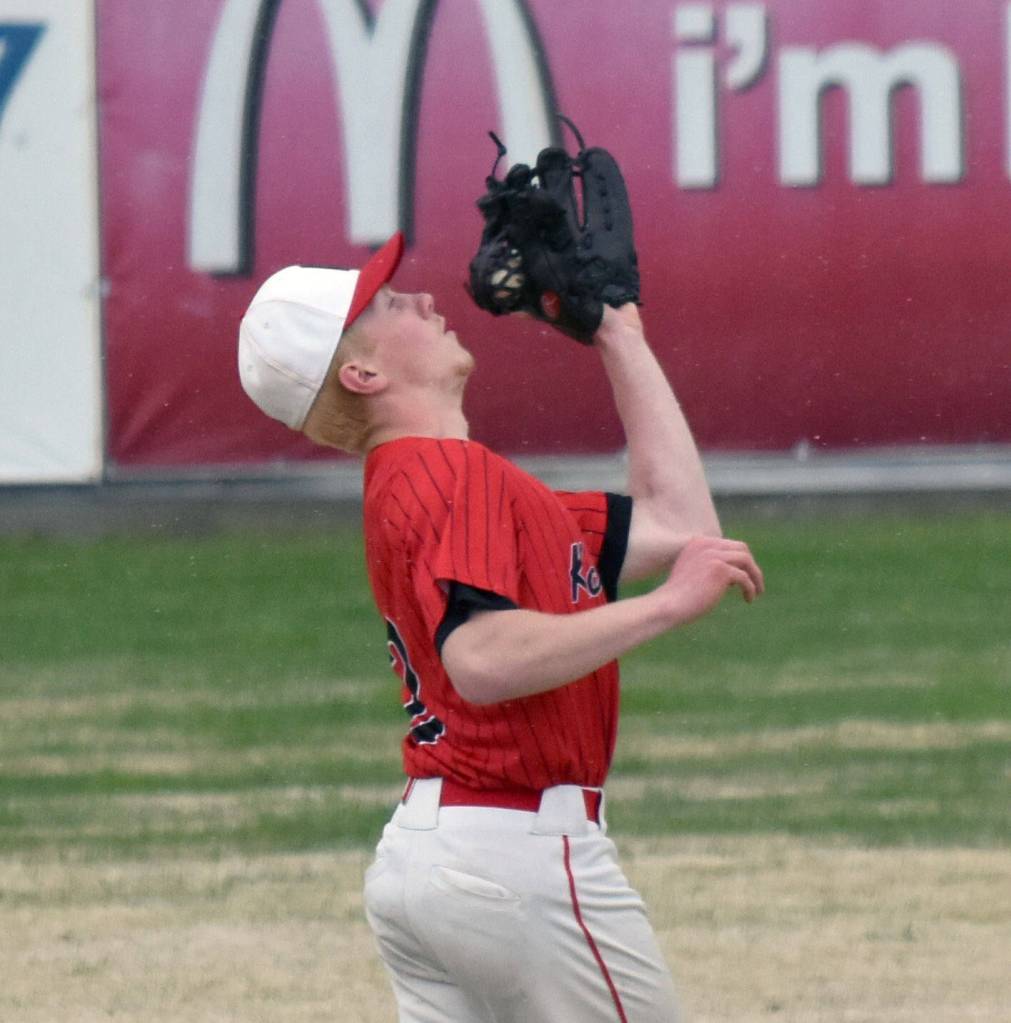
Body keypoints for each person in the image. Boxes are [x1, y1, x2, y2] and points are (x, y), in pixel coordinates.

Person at [238, 231, 764, 1022]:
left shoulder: (441, 482)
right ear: (363, 373)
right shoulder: (452, 474)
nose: (419, 298)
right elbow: (480, 657)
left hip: (431, 858)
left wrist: (619, 338)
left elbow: (681, 525)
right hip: (515, 860)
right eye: (385, 304)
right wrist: (663, 606)